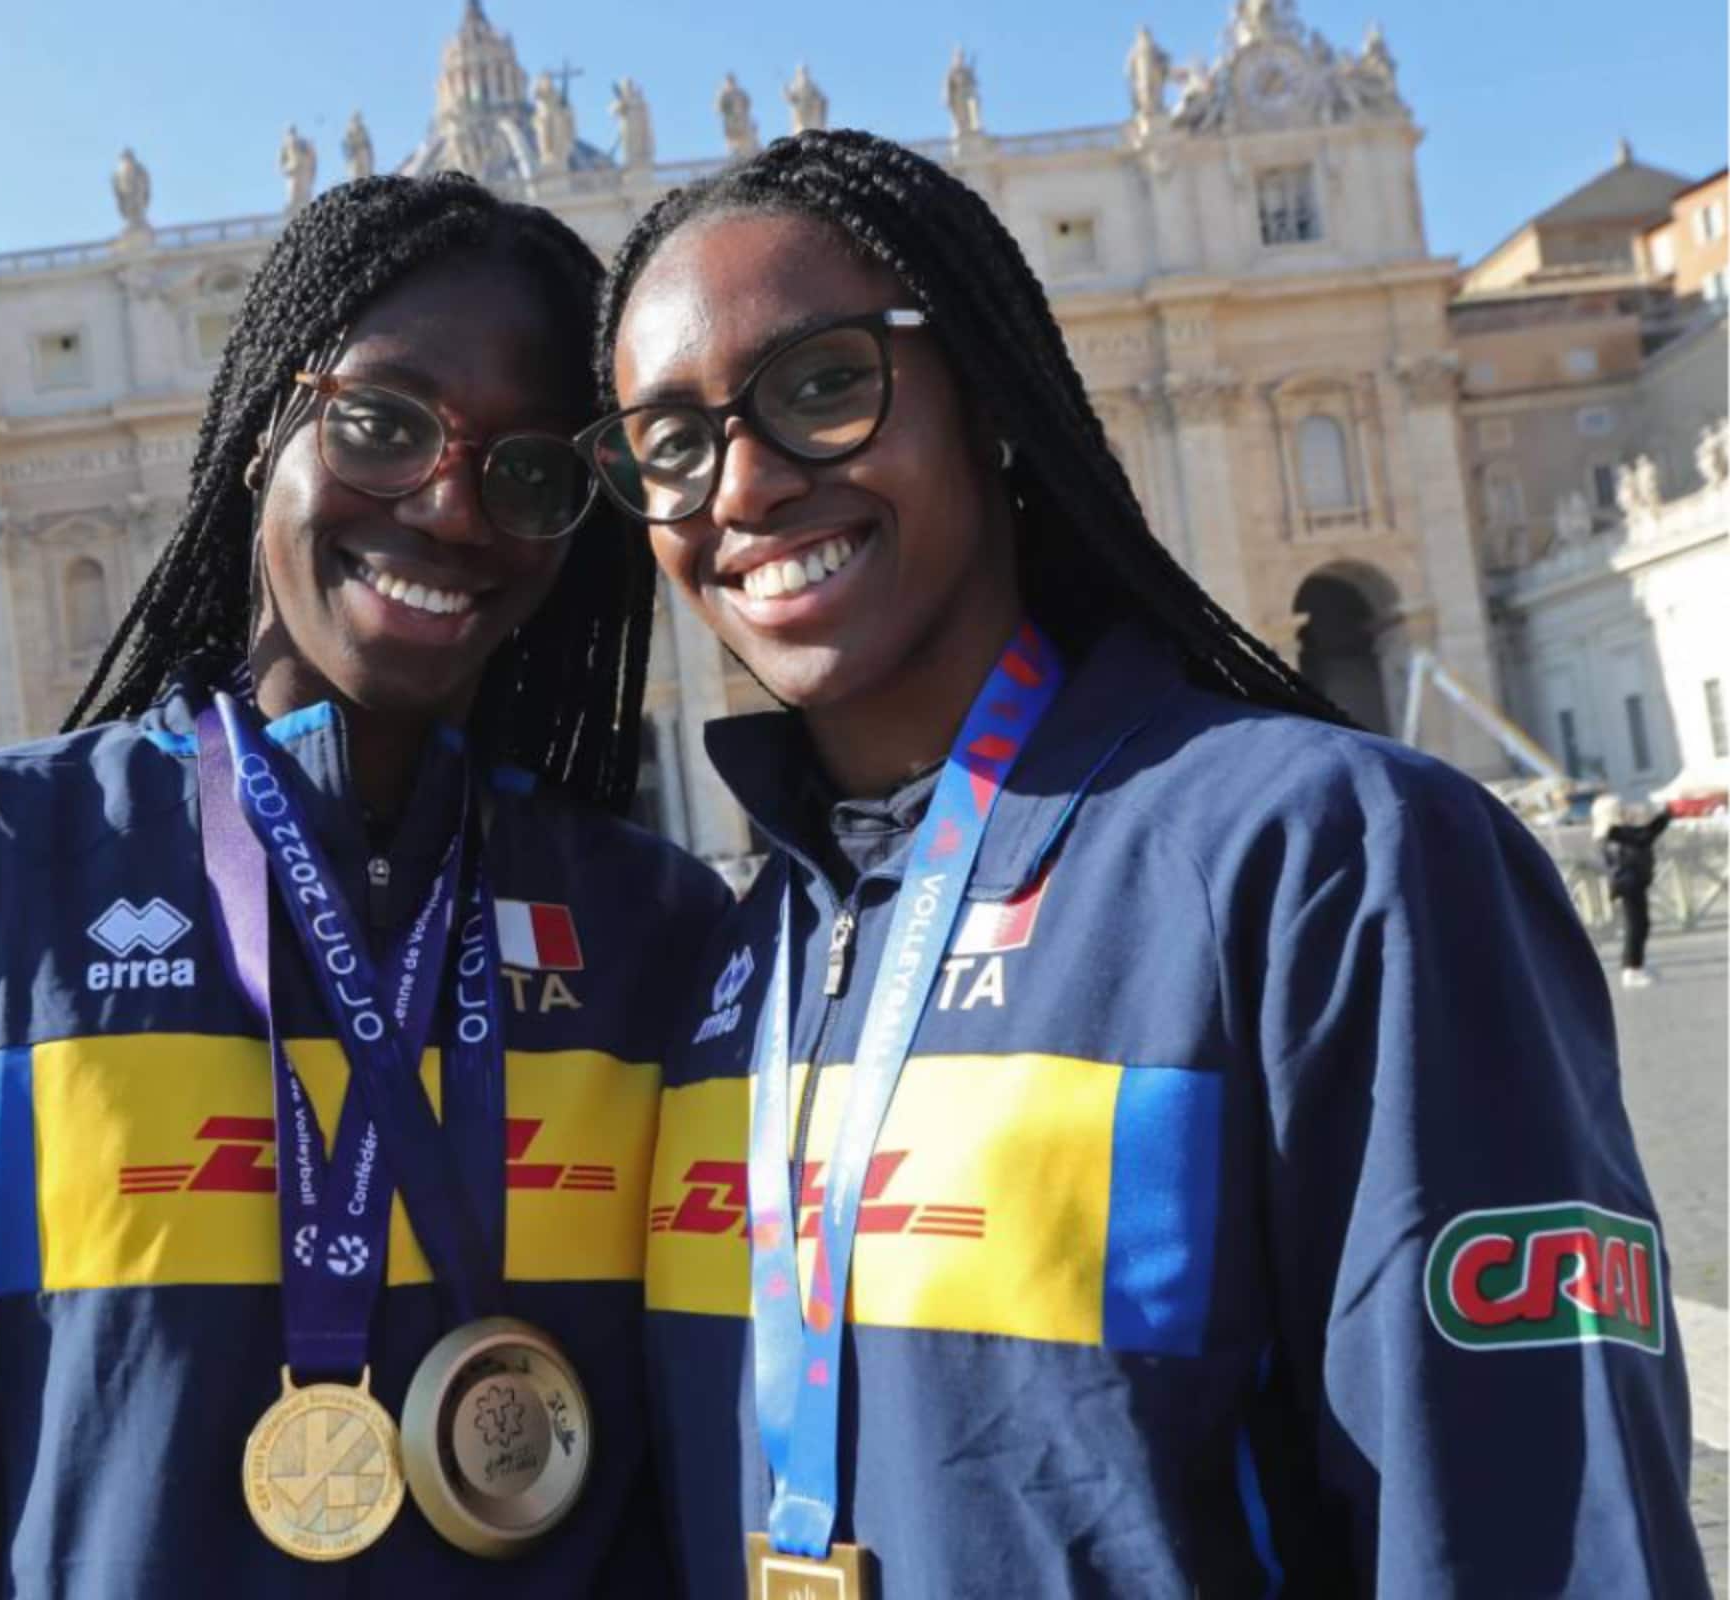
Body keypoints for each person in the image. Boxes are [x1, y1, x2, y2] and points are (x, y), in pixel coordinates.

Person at [583, 130, 1705, 1597]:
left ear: (984, 393)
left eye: (825, 389)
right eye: (670, 443)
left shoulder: (1335, 861)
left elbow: (1532, 1536)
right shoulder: (747, 960)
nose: (742, 484)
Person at [0, 173, 726, 1597]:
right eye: (383, 422)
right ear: (258, 429)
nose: (449, 503)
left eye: (529, 471)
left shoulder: (659, 933)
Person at [1594, 794, 1674, 988]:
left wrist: (1664, 816)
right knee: (1635, 926)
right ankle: (1631, 969)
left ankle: (1637, 964)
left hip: (1633, 882)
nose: (1625, 812)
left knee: (1641, 924)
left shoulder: (1616, 831)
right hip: (1628, 883)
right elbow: (1644, 837)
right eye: (1620, 809)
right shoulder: (1611, 832)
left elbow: (1645, 834)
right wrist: (1664, 817)